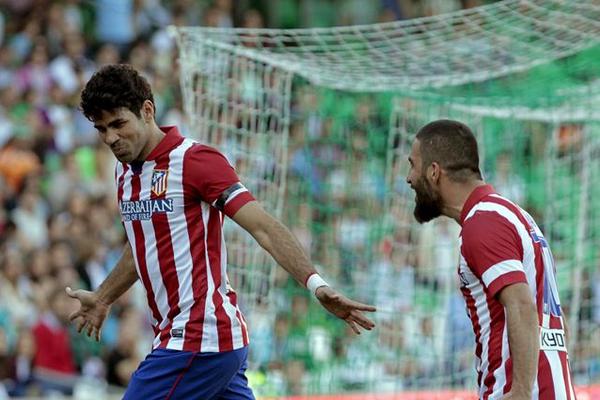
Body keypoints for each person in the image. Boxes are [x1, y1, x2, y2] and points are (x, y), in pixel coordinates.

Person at [66, 64, 376, 399]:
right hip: (206, 342)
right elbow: (145, 244)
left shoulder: (195, 160)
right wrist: (103, 297)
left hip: (199, 336)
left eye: (118, 124)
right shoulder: (124, 174)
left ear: (147, 110)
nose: (110, 138)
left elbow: (264, 228)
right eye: (101, 129)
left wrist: (317, 285)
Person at [405, 119, 575, 400]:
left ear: (434, 172)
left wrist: (520, 391)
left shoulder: (483, 223)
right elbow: (558, 323)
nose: (409, 178)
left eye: (412, 165)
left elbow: (521, 305)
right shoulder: (517, 216)